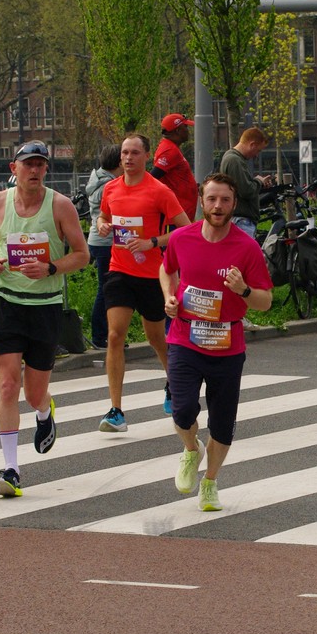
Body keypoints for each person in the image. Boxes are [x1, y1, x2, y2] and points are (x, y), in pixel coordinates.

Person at [0, 140, 89, 497]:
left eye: (40, 164)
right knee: (8, 386)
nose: (35, 170)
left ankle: (44, 410)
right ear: (14, 169)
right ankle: (11, 469)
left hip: (45, 306)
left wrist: (51, 267)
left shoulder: (60, 206)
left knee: (33, 392)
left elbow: (82, 254)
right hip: (7, 303)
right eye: (28, 164)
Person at [161, 173, 273, 512]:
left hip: (227, 344)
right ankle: (191, 449)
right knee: (182, 411)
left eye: (225, 200)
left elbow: (265, 301)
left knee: (222, 424)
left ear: (234, 203)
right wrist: (169, 296)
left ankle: (209, 482)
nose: (218, 206)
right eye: (211, 199)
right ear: (201, 201)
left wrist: (243, 290)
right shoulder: (182, 238)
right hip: (185, 337)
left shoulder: (246, 247)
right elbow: (167, 268)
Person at [95, 133, 191, 431]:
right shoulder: (111, 188)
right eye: (125, 152)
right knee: (115, 335)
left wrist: (152, 242)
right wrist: (102, 225)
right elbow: (102, 216)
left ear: (147, 156)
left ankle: (173, 383)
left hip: (151, 275)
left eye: (135, 152)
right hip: (119, 270)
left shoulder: (159, 191)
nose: (128, 158)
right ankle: (115, 410)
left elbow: (185, 229)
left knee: (156, 338)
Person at [84, 144, 122, 349]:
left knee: (109, 288)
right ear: (118, 162)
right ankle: (100, 336)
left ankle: (106, 334)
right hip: (106, 241)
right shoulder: (109, 185)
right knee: (106, 289)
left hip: (100, 240)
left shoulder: (98, 179)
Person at [218, 127, 272, 239]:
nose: (256, 155)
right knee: (244, 250)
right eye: (258, 150)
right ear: (252, 144)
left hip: (240, 220)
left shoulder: (235, 159)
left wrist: (257, 182)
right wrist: (259, 181)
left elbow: (241, 185)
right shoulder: (234, 160)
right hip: (241, 221)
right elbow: (246, 191)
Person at [151, 113, 199, 221]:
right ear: (178, 131)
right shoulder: (170, 150)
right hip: (175, 218)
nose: (188, 131)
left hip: (179, 214)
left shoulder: (170, 147)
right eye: (185, 127)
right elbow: (153, 177)